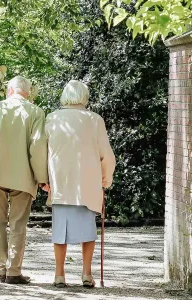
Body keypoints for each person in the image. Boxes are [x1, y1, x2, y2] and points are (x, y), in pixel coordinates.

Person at [0, 76, 48, 284]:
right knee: (18, 225)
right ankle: (14, 272)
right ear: (27, 93)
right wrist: (42, 178)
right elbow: (38, 147)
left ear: (10, 90)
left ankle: (0, 269)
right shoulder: (36, 112)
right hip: (23, 177)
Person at [43, 80, 116, 288]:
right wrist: (105, 179)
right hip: (87, 183)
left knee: (60, 231)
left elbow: (42, 151)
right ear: (85, 97)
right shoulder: (94, 120)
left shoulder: (52, 118)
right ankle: (86, 273)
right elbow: (107, 156)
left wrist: (43, 179)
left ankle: (59, 274)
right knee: (88, 230)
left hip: (61, 182)